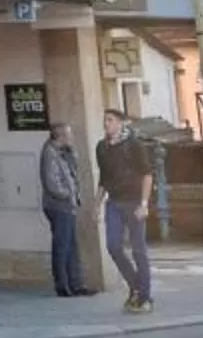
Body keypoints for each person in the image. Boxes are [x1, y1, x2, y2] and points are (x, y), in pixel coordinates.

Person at [95, 107, 155, 311]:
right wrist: (97, 204)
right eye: (105, 120)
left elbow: (147, 174)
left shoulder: (134, 145)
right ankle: (135, 286)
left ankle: (145, 296)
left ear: (121, 123)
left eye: (110, 120)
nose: (106, 124)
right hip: (114, 201)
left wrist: (144, 204)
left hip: (134, 202)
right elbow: (103, 178)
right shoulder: (102, 148)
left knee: (139, 250)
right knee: (113, 246)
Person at [38, 121, 85, 296]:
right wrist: (68, 195)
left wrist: (71, 151)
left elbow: (74, 170)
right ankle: (62, 285)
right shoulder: (50, 154)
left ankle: (76, 283)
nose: (72, 137)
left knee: (72, 245)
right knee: (62, 246)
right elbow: (52, 184)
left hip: (68, 205)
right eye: (69, 134)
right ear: (61, 136)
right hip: (59, 206)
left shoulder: (62, 152)